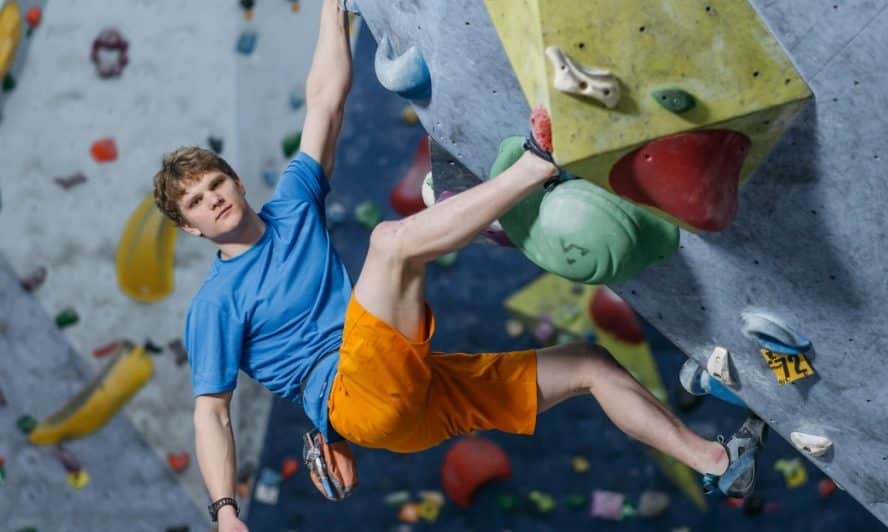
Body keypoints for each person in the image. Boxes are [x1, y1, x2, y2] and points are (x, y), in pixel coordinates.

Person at [152, 1, 763, 529]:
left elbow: (325, 103)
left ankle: (716, 462)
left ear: (235, 181)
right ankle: (537, 163)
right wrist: (225, 510)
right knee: (390, 243)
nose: (213, 199)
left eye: (215, 183)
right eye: (197, 202)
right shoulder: (216, 304)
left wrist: (333, 10)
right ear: (191, 228)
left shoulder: (291, 204)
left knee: (588, 366)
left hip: (412, 396)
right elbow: (212, 412)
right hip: (353, 395)